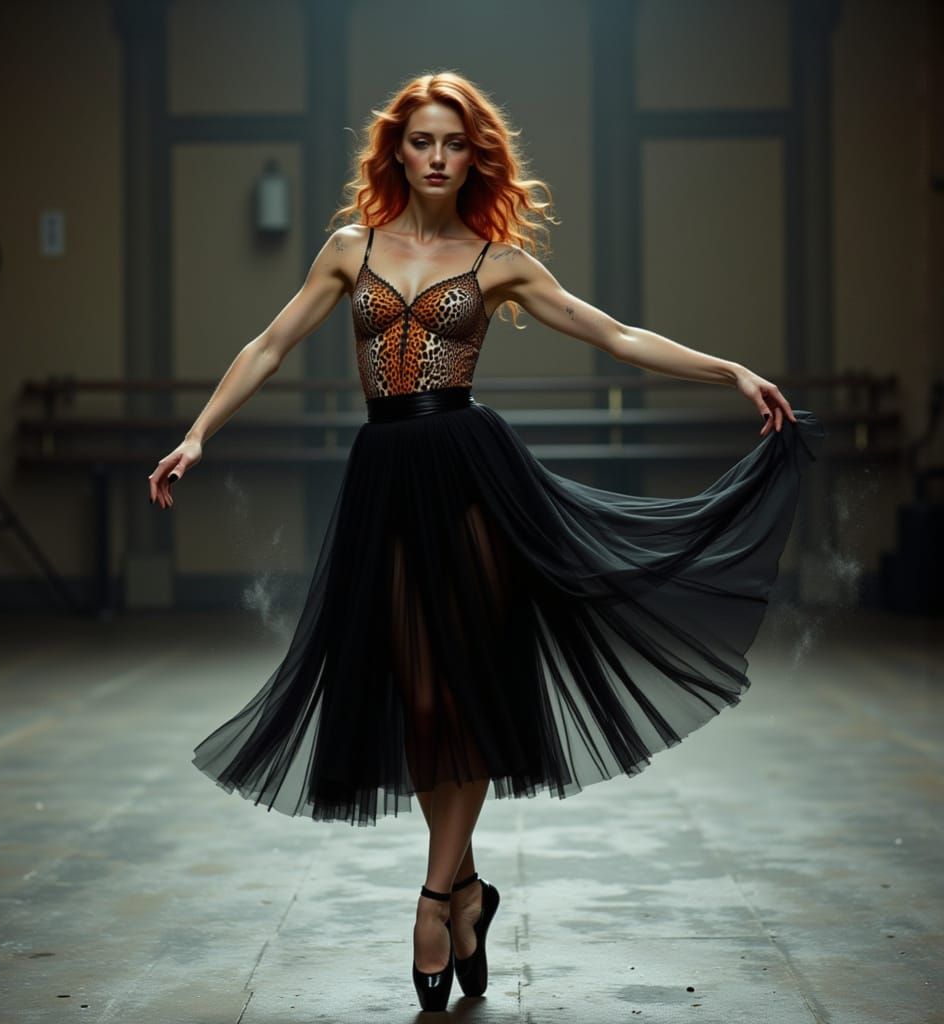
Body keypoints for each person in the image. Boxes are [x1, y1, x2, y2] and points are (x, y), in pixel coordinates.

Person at [147, 71, 825, 1012]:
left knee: (464, 689)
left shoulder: (497, 260)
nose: (435, 157)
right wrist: (198, 434)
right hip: (385, 478)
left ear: (475, 156)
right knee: (421, 698)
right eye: (420, 141)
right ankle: (468, 890)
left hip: (471, 480)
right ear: (397, 150)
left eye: (453, 144)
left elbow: (614, 333)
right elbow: (267, 344)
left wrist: (733, 371)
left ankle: (433, 898)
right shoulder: (352, 248)